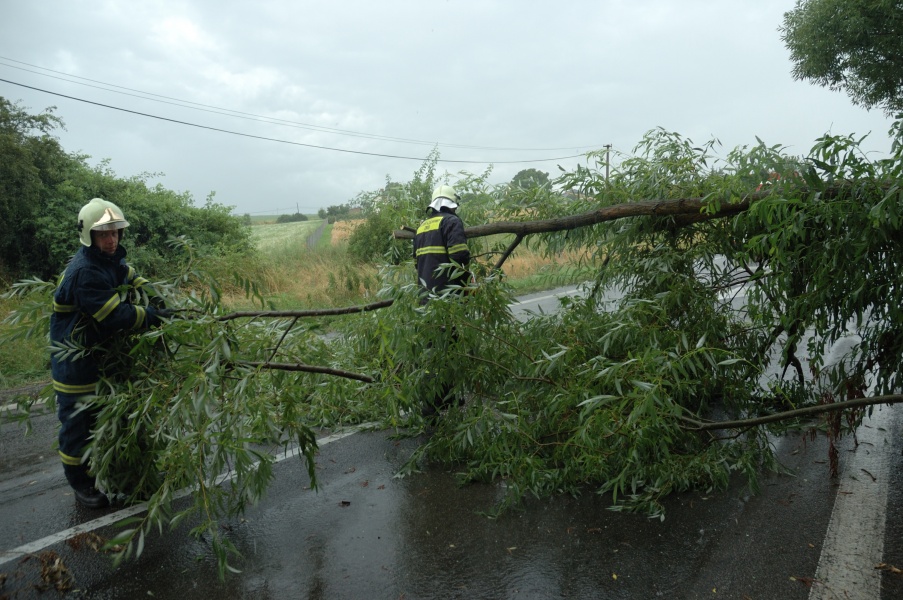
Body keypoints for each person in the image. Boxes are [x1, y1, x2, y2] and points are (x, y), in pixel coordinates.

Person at [50, 198, 167, 508]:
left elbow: (129, 278)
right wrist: (154, 316)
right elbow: (116, 316)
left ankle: (125, 477)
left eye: (115, 232)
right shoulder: (85, 272)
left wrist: (155, 294)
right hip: (76, 366)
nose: (112, 239)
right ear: (89, 236)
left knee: (113, 422)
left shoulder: (109, 261)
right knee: (78, 429)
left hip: (100, 360)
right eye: (104, 234)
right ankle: (82, 485)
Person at [413, 185, 472, 417]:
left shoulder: (421, 228)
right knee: (450, 348)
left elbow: (417, 265)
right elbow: (459, 256)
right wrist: (466, 285)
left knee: (431, 351)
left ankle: (435, 400)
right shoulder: (451, 223)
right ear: (452, 204)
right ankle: (441, 401)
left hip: (425, 300)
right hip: (447, 300)